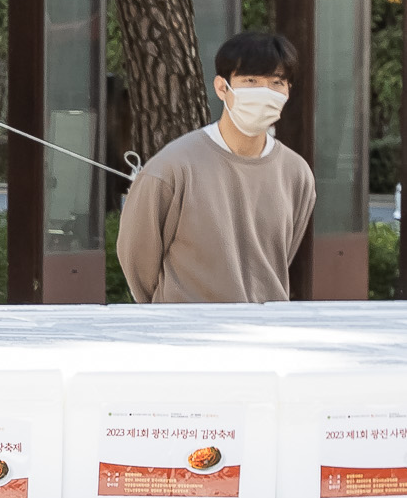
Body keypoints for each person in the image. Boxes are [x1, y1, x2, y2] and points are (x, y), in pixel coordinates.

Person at [118, 31, 318, 303]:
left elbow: (282, 255)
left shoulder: (296, 174)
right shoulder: (171, 168)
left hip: (268, 334)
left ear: (288, 91)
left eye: (277, 82)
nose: (265, 92)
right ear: (222, 88)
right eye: (250, 80)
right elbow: (138, 259)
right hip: (188, 335)